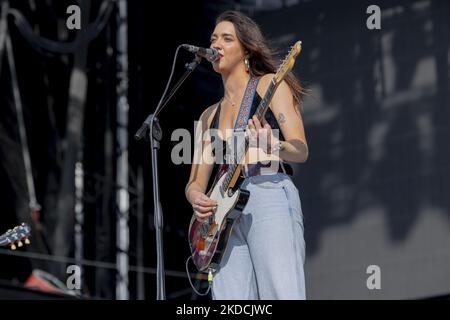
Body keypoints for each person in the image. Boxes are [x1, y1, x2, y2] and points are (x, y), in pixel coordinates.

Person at [185, 10, 308, 300]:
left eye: (227, 39)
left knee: (282, 292)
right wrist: (195, 197)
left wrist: (272, 145)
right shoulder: (208, 115)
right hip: (222, 216)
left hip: (267, 192)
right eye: (214, 38)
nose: (217, 44)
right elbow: (194, 182)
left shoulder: (269, 84)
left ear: (246, 50)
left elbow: (300, 149)